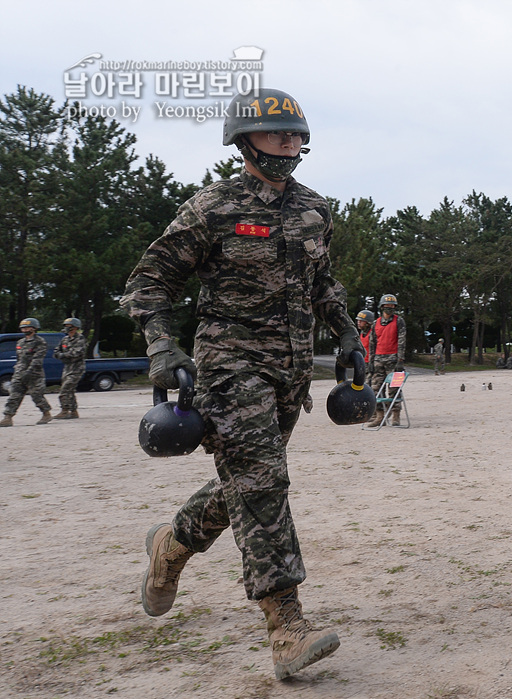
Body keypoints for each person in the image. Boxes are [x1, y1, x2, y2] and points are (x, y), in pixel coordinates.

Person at [122, 88, 364, 680]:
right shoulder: (214, 207)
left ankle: (169, 548)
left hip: (289, 373)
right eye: (279, 134)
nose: (291, 143)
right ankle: (286, 626)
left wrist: (348, 331)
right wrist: (160, 344)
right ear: (245, 141)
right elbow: (148, 284)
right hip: (229, 367)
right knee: (262, 482)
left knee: (246, 483)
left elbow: (323, 281)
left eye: (297, 134)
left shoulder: (314, 209)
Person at [0, 318, 52, 426]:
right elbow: (20, 359)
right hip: (19, 373)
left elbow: (37, 359)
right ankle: (8, 417)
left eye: (27, 327)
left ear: (34, 328)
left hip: (34, 374)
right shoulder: (20, 342)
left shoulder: (39, 342)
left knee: (36, 395)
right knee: (14, 395)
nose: (25, 330)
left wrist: (28, 372)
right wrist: (18, 370)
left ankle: (46, 413)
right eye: (23, 328)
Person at [366, 294, 407, 427]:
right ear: (381, 307)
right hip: (378, 360)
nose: (389, 308)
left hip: (393, 360)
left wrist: (400, 360)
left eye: (392, 306)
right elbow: (372, 344)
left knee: (394, 388)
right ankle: (380, 415)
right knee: (375, 389)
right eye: (387, 306)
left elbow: (402, 341)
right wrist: (371, 363)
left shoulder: (399, 321)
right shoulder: (375, 323)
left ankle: (396, 414)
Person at [53, 317, 88, 419]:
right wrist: (61, 354)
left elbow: (76, 353)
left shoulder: (80, 339)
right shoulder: (65, 339)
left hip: (77, 369)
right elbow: (56, 351)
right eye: (66, 326)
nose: (67, 328)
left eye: (69, 326)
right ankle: (73, 411)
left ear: (75, 327)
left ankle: (64, 410)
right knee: (70, 390)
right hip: (67, 368)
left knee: (65, 390)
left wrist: (62, 355)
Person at [355, 309, 375, 385]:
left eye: (361, 321)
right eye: (358, 321)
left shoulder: (372, 334)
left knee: (370, 385)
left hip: (370, 364)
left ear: (368, 323)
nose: (358, 323)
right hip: (363, 363)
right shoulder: (361, 333)